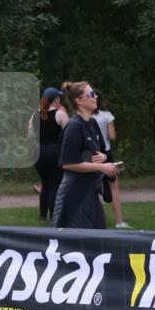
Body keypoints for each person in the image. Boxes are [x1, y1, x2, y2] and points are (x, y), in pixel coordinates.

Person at [51, 81, 120, 229]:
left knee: (99, 236)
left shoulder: (93, 123)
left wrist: (103, 158)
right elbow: (68, 163)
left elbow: (101, 152)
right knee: (76, 244)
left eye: (94, 93)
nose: (95, 97)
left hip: (90, 191)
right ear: (79, 100)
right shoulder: (74, 127)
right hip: (75, 194)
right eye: (91, 94)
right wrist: (101, 167)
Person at [93, 90, 129, 228]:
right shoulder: (107, 115)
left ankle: (94, 220)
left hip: (91, 154)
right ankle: (119, 222)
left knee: (91, 189)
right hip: (106, 153)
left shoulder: (85, 116)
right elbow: (112, 136)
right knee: (114, 188)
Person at [32, 87, 64, 220]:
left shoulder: (35, 115)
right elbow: (68, 135)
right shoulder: (60, 114)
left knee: (45, 184)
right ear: (56, 99)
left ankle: (42, 215)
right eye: (59, 97)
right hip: (54, 151)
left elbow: (32, 134)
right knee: (55, 184)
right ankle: (54, 216)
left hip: (38, 152)